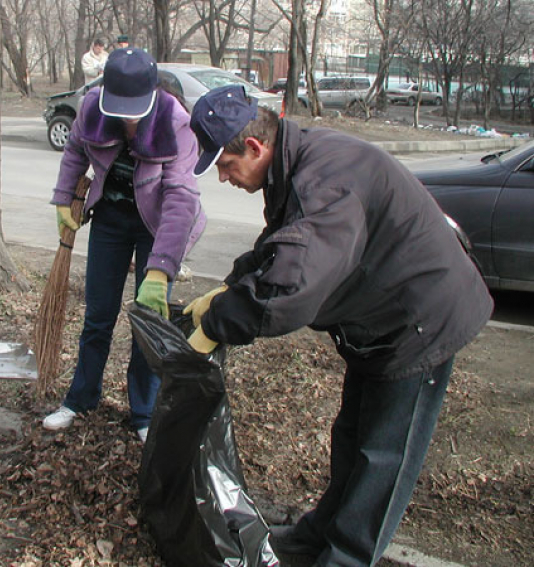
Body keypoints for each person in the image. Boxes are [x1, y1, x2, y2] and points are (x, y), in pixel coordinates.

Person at [184, 85, 492, 567]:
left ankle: (344, 557)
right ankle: (315, 538)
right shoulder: (298, 161)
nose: (224, 179)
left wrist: (223, 320)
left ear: (254, 147)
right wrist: (232, 286)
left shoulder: (323, 181)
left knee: (382, 462)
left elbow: (288, 292)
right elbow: (281, 244)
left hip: (421, 319)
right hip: (380, 318)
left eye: (224, 166)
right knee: (352, 439)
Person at [43, 48, 206, 443]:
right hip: (111, 221)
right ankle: (80, 399)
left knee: (147, 321)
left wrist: (160, 268)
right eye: (122, 108)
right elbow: (75, 151)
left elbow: (181, 199)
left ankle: (144, 414)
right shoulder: (92, 108)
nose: (128, 118)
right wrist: (64, 198)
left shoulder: (176, 122)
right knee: (98, 316)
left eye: (136, 109)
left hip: (158, 226)